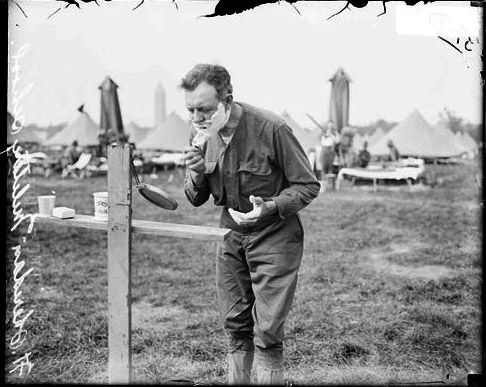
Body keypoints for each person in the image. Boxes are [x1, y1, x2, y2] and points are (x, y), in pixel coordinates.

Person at [181, 64, 320, 385]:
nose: (197, 118)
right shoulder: (199, 134)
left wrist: (270, 206)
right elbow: (194, 197)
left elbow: (308, 185)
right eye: (190, 110)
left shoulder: (271, 128)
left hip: (275, 234)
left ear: (227, 99)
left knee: (268, 329)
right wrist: (198, 172)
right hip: (230, 233)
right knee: (234, 322)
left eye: (204, 109)